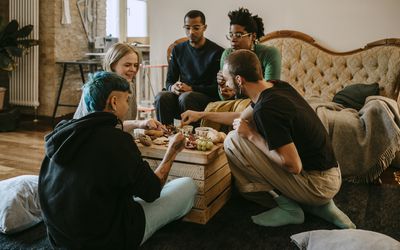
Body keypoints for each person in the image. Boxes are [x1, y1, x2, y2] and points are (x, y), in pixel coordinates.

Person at [190, 49, 356, 229]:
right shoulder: (275, 86)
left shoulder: (267, 109)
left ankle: (289, 207)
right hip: (330, 174)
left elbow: (293, 165)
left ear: (239, 80)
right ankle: (321, 206)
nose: (226, 86)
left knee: (233, 141)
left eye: (227, 80)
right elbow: (241, 117)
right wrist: (200, 114)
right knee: (240, 134)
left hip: (318, 185)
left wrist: (252, 135)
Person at [39, 71, 197, 249]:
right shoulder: (117, 141)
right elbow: (152, 192)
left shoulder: (62, 131)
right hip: (105, 240)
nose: (127, 104)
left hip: (60, 238)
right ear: (114, 101)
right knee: (187, 185)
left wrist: (138, 124)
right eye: (126, 100)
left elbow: (98, 126)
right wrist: (172, 152)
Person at [186, 7, 282, 130]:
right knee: (212, 108)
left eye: (238, 35)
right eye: (231, 34)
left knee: (242, 107)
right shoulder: (227, 54)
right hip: (237, 101)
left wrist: (237, 90)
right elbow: (225, 97)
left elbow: (269, 91)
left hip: (261, 101)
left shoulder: (269, 54)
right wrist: (224, 89)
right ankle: (211, 144)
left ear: (252, 36)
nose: (233, 39)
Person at [154, 10, 224, 125]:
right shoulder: (178, 50)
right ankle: (165, 135)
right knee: (161, 97)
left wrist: (191, 88)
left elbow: (216, 89)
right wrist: (173, 87)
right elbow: (169, 81)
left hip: (205, 98)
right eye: (187, 28)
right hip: (183, 96)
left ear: (204, 27)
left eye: (196, 28)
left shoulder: (217, 52)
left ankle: (192, 138)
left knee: (187, 97)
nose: (191, 32)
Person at [74, 42, 163, 132]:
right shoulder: (98, 89)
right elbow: (100, 127)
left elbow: (123, 123)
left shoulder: (129, 86)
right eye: (127, 65)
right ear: (113, 65)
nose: (133, 69)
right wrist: (138, 123)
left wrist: (142, 124)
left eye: (135, 65)